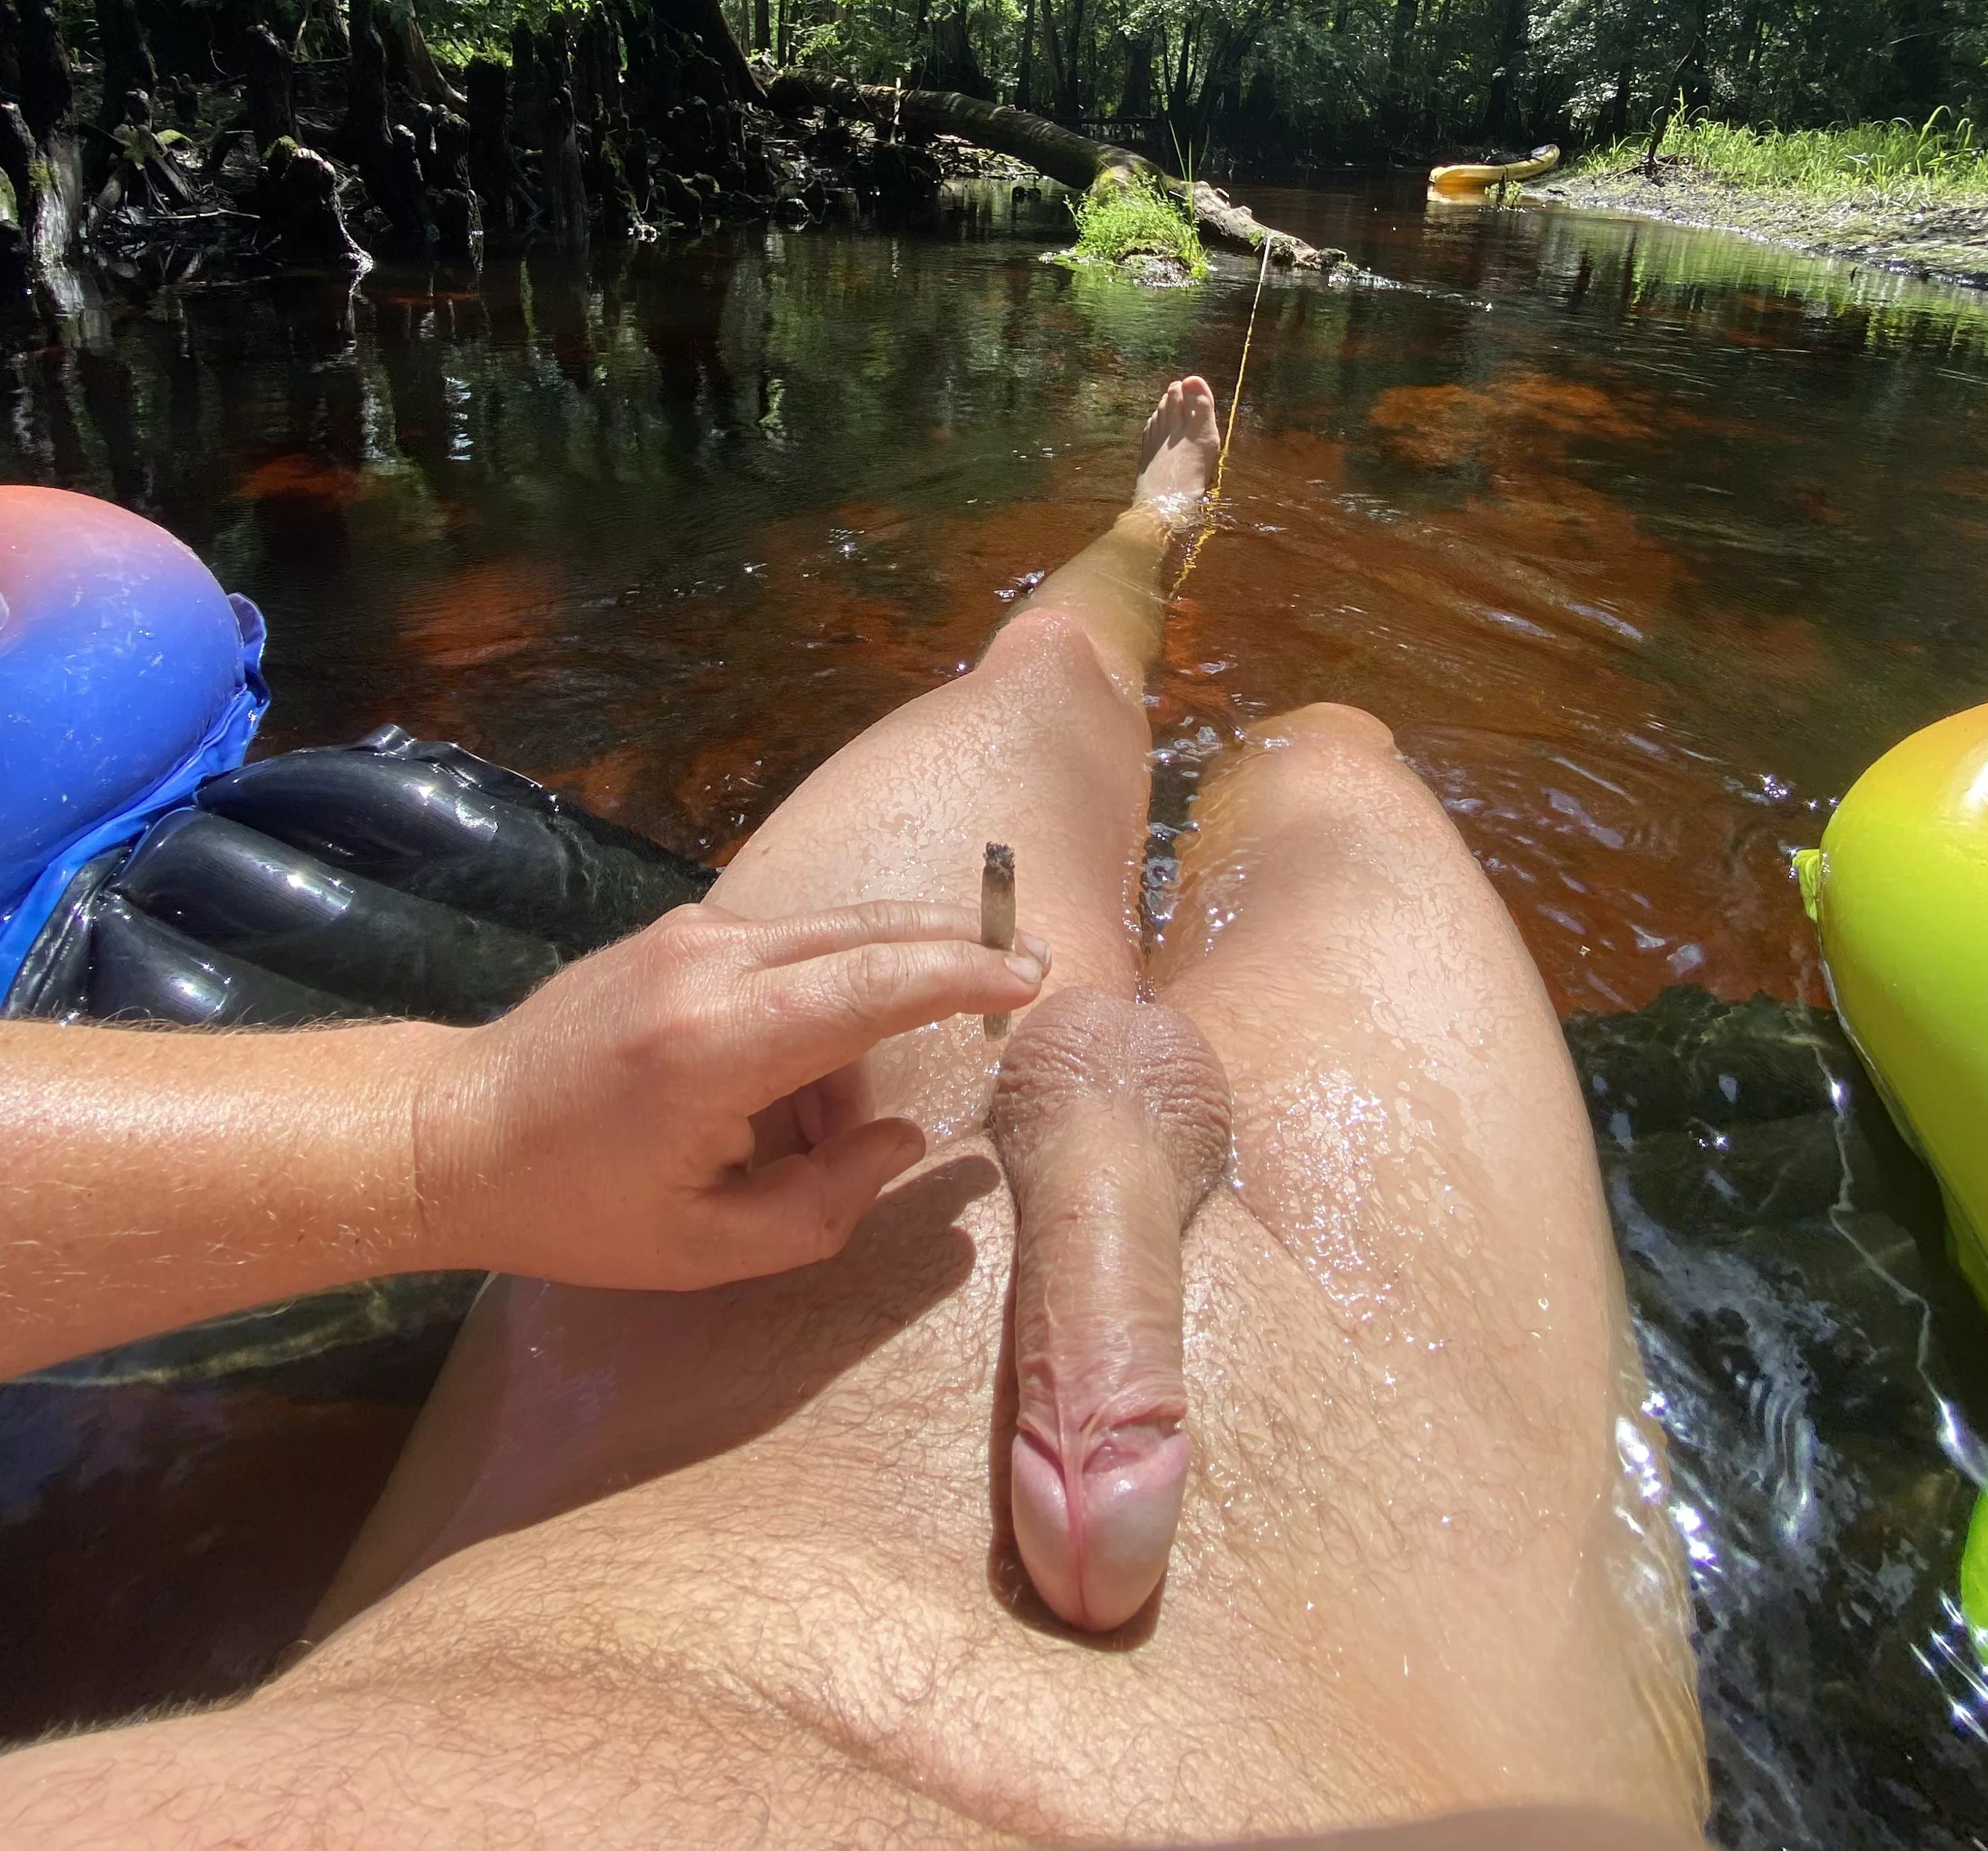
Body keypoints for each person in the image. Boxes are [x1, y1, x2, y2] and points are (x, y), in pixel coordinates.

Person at [0, 379, 1708, 1850]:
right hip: (1347, 1507)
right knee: (1337, 765)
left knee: (1041, 672)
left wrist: (453, 1135)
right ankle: (1183, 567)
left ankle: (1155, 521)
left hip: (800, 1239)